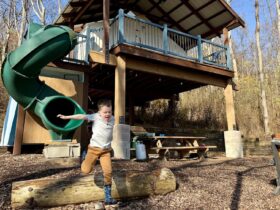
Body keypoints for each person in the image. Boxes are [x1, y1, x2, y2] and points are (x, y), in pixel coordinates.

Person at [57, 99, 118, 208]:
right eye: (105, 112)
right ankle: (85, 155)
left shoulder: (113, 119)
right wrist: (67, 117)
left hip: (105, 151)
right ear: (99, 113)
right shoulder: (95, 117)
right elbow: (81, 116)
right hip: (93, 149)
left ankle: (108, 197)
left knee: (108, 172)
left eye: (109, 112)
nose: (108, 114)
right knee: (86, 170)